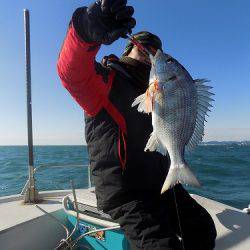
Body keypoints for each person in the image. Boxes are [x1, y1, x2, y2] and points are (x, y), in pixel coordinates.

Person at [57, 0, 217, 249]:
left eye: (154, 49)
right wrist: (86, 30)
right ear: (127, 50)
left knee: (203, 227)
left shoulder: (162, 87)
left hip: (160, 185)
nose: (149, 50)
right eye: (142, 46)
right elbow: (71, 73)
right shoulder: (106, 80)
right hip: (126, 193)